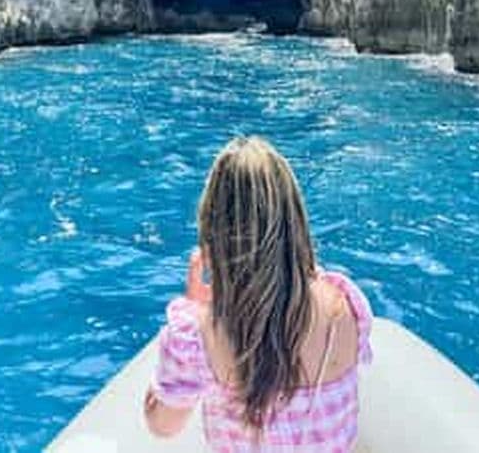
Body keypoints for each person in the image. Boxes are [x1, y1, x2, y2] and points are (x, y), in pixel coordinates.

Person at [143, 136, 372, 451]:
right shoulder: (346, 306)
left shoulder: (198, 334)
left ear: (214, 230)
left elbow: (163, 426)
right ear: (295, 221)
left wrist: (194, 307)